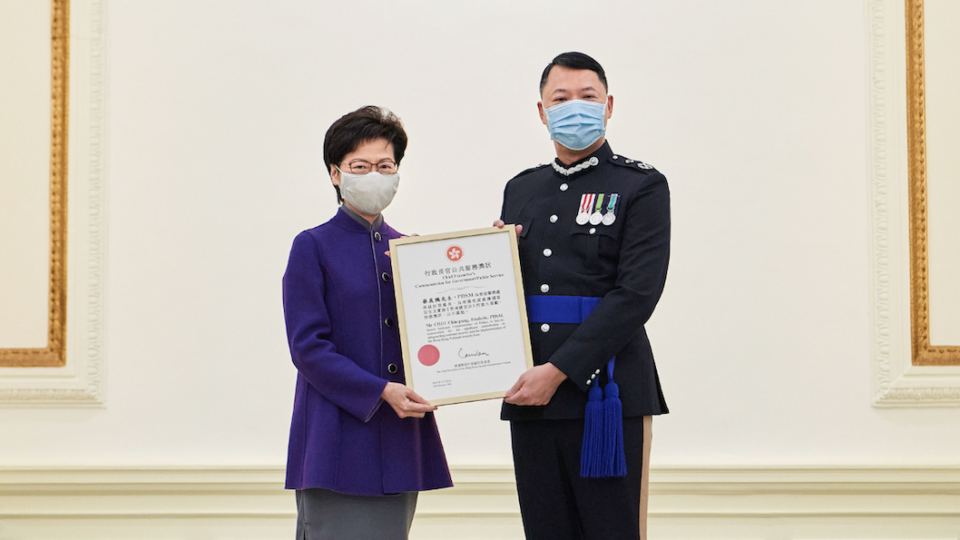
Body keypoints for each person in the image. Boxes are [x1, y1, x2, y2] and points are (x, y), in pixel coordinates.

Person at [494, 52, 670, 540]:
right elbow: (507, 292)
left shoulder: (641, 186)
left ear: (609, 105)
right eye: (561, 98)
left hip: (602, 392)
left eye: (587, 97)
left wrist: (560, 371)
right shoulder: (522, 189)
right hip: (530, 393)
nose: (575, 107)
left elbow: (636, 294)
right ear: (542, 110)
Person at [282, 105, 452, 540]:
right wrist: (379, 391)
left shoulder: (412, 252)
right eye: (360, 166)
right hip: (337, 438)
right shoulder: (313, 246)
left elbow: (437, 337)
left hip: (400, 438)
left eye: (385, 166)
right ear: (336, 174)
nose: (374, 175)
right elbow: (309, 349)